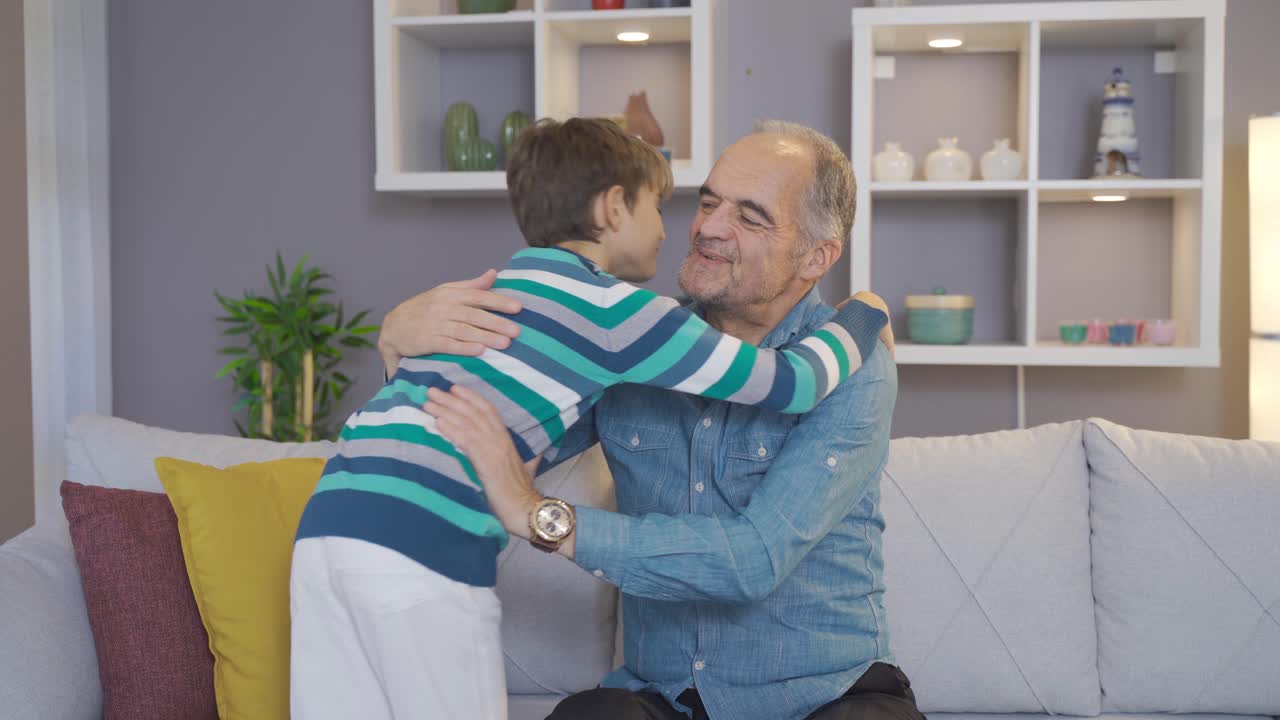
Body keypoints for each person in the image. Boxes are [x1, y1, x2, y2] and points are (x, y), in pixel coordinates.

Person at [289, 117, 889, 720]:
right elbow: (484, 431)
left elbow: (754, 560)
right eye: (705, 203)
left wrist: (540, 516)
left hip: (823, 696)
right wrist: (394, 342)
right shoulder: (622, 337)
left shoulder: (852, 368)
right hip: (662, 697)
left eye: (749, 215)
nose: (705, 226)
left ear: (818, 256)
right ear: (614, 208)